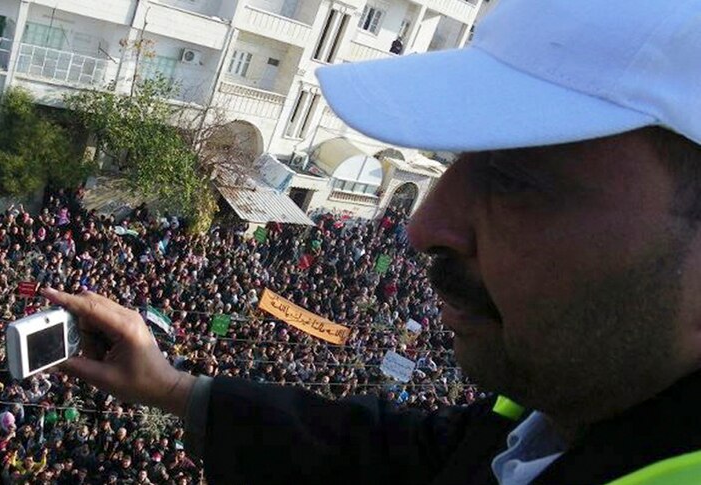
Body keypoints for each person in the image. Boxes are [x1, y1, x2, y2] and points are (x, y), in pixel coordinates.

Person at [44, 0, 701, 484]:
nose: (424, 225)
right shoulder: (553, 407)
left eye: (516, 178)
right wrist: (174, 389)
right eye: (456, 161)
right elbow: (402, 455)